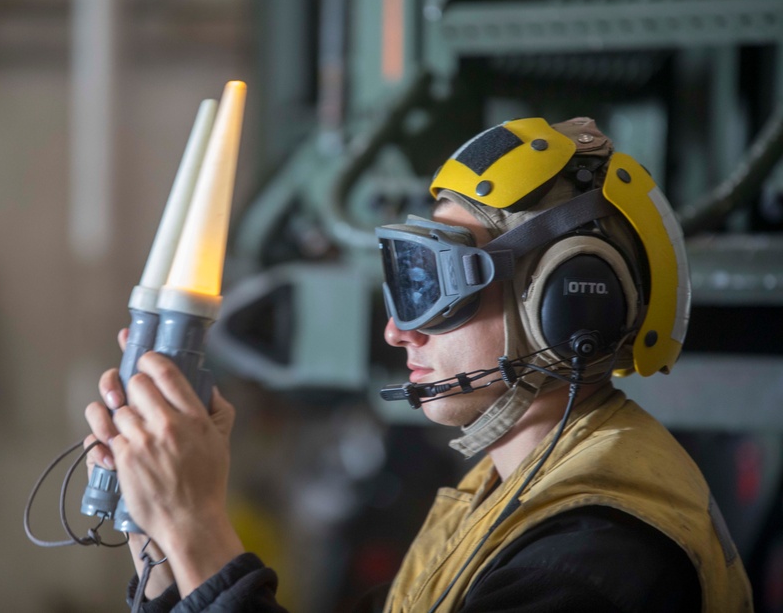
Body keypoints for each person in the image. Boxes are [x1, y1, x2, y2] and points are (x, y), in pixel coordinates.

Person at [83, 117, 754, 612]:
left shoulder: (595, 557)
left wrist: (196, 523)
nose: (397, 329)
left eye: (437, 284)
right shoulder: (510, 497)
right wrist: (162, 541)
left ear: (567, 305)